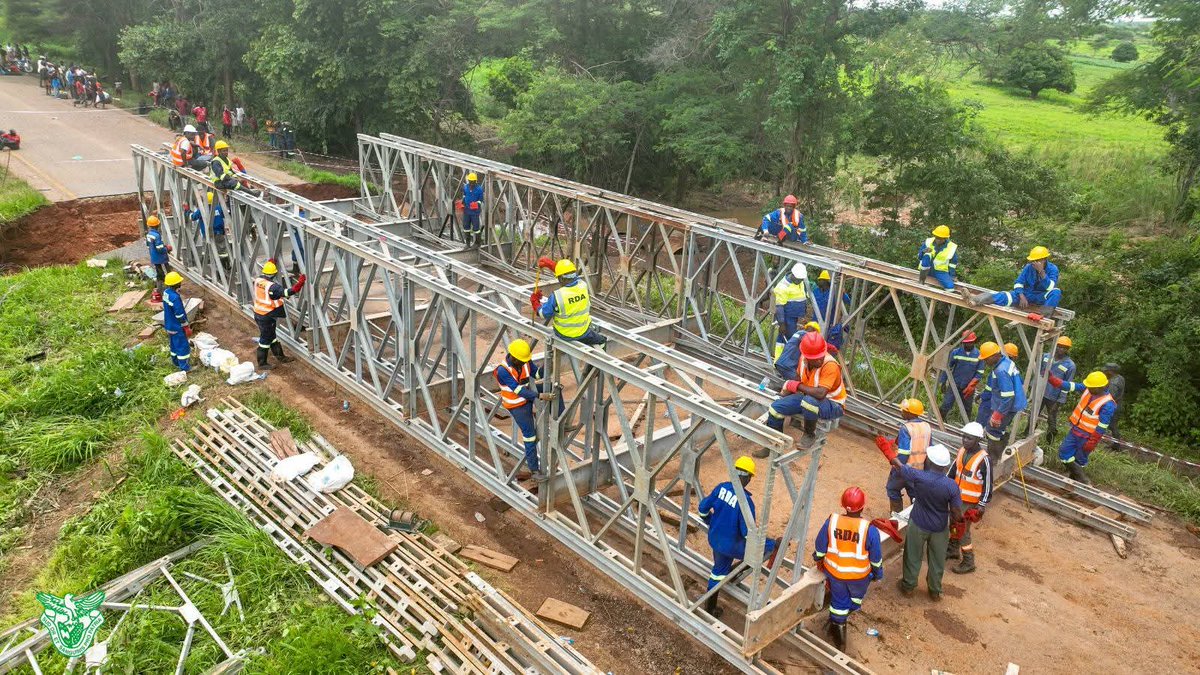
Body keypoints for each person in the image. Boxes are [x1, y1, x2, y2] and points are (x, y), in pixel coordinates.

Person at [697, 456, 779, 618]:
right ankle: (737, 573)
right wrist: (770, 544)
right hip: (731, 545)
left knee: (718, 571)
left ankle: (710, 605)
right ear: (748, 477)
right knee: (759, 552)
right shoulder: (746, 502)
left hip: (715, 539)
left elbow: (702, 509)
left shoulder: (721, 488)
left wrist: (711, 522)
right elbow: (748, 534)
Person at [879, 442, 962, 601]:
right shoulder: (952, 486)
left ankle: (908, 587)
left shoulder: (918, 476)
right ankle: (935, 591)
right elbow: (957, 513)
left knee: (912, 556)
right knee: (937, 561)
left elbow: (898, 465)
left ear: (929, 461)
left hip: (918, 523)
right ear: (945, 467)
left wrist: (888, 452)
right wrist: (958, 523)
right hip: (939, 528)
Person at [812, 486, 883, 650]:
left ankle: (837, 624)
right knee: (851, 602)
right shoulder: (869, 530)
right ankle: (839, 640)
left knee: (839, 603)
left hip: (835, 573)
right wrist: (878, 574)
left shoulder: (832, 522)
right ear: (863, 507)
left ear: (843, 505)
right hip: (859, 578)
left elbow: (820, 546)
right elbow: (876, 558)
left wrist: (818, 558)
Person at [767, 332, 846, 448]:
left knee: (809, 401)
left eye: (821, 356)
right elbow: (800, 379)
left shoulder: (830, 365)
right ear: (807, 357)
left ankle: (809, 434)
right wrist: (787, 392)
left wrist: (795, 385)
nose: (819, 360)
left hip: (833, 404)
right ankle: (775, 443)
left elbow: (820, 394)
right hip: (808, 399)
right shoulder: (803, 360)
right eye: (815, 359)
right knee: (776, 408)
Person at [1046, 370, 1117, 485]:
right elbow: (1070, 386)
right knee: (1064, 453)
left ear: (1100, 387)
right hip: (1075, 431)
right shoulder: (1089, 388)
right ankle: (1083, 479)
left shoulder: (1108, 404)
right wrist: (1053, 380)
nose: (1088, 389)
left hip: (1088, 436)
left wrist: (1093, 441)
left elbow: (1102, 425)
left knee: (1079, 460)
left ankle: (1073, 484)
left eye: (1091, 388)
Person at [968, 246, 1062, 320]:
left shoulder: (1053, 269)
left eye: (1036, 260)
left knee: (1056, 292)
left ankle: (1044, 317)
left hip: (1040, 296)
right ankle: (975, 299)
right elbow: (1018, 283)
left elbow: (1050, 287)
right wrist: (1021, 296)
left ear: (1044, 259)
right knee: (1005, 295)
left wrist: (1041, 272)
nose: (1034, 263)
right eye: (1033, 260)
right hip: (1026, 294)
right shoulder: (1028, 268)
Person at [495, 339, 545, 481]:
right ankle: (534, 470)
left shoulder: (525, 361)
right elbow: (518, 390)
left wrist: (549, 364)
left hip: (528, 394)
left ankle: (562, 420)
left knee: (554, 389)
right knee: (530, 436)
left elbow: (537, 375)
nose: (524, 363)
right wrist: (539, 395)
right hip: (517, 405)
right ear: (513, 357)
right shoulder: (502, 370)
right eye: (521, 361)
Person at [946, 422, 991, 574]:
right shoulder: (961, 451)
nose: (965, 440)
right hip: (956, 498)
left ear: (978, 440)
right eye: (963, 437)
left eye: (969, 438)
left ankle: (968, 561)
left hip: (969, 502)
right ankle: (952, 549)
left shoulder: (984, 459)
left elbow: (988, 484)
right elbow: (953, 472)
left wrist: (982, 505)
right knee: (953, 523)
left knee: (963, 530)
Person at [531, 258, 607, 346]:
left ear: (561, 279)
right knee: (602, 341)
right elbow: (570, 275)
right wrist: (553, 266)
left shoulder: (557, 296)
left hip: (564, 334)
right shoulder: (583, 285)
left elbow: (543, 314)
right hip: (583, 332)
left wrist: (535, 301)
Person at [876, 398, 932, 514]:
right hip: (919, 469)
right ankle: (914, 516)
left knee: (892, 488)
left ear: (909, 413)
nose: (901, 412)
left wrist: (897, 467)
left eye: (903, 410)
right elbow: (929, 448)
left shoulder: (906, 428)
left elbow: (904, 454)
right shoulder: (927, 427)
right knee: (914, 493)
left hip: (905, 467)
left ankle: (896, 516)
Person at [975, 341, 1027, 461]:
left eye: (986, 359)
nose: (985, 362)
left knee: (992, 430)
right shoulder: (1006, 362)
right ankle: (1000, 448)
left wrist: (997, 415)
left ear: (994, 356)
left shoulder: (1001, 371)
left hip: (1008, 406)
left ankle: (993, 460)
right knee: (998, 430)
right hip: (1010, 404)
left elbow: (1008, 396)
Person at [252, 260, 306, 370]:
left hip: (259, 313)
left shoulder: (258, 280)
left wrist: (270, 263)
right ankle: (262, 363)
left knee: (272, 336)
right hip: (267, 315)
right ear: (275, 274)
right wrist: (299, 284)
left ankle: (281, 357)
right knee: (265, 339)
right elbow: (288, 292)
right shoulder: (273, 287)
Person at [938, 330, 984, 422]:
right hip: (954, 384)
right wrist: (943, 382)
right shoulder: (956, 352)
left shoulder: (979, 355)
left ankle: (967, 425)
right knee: (947, 403)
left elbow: (979, 372)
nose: (968, 345)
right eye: (966, 343)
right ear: (963, 342)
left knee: (967, 407)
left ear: (974, 342)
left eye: (970, 343)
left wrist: (972, 385)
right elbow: (947, 367)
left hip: (968, 386)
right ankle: (941, 421)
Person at [1040, 336, 1076, 444]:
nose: (1061, 349)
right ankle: (1027, 433)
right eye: (1059, 346)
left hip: (1054, 397)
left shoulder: (1070, 365)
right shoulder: (1046, 357)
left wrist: (1059, 401)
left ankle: (1049, 441)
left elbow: (1067, 385)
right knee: (1033, 415)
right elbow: (1038, 373)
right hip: (1041, 393)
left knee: (1051, 419)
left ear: (1067, 349)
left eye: (1064, 348)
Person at [772, 263, 810, 361]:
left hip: (794, 316)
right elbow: (779, 307)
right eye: (799, 279)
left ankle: (781, 362)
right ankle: (784, 362)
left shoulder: (798, 280)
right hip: (787, 317)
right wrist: (782, 323)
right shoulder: (783, 287)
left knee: (783, 340)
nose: (800, 281)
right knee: (791, 340)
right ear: (793, 275)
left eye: (801, 279)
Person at [161, 272, 192, 372]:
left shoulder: (166, 293)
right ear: (177, 284)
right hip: (177, 326)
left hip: (169, 325)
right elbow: (179, 314)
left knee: (174, 344)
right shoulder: (175, 298)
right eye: (179, 282)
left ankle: (175, 362)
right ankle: (185, 367)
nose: (181, 283)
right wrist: (186, 326)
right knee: (182, 346)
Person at [811, 270, 849, 350]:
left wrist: (843, 293)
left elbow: (848, 301)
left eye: (822, 280)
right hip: (816, 321)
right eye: (819, 279)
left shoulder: (835, 292)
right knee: (814, 341)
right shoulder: (815, 291)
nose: (819, 281)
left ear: (827, 281)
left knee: (826, 343)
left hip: (829, 323)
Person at [918, 225, 959, 290]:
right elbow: (919, 257)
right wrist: (923, 252)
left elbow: (953, 264)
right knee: (927, 255)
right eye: (937, 237)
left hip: (940, 271)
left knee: (950, 288)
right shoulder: (928, 242)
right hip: (926, 271)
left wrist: (952, 276)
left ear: (945, 238)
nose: (938, 240)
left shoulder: (951, 247)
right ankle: (921, 281)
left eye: (940, 238)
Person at [144, 215, 171, 301]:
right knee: (167, 273)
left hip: (154, 258)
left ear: (149, 226)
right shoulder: (156, 235)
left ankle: (160, 289)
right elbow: (159, 249)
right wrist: (167, 248)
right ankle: (169, 289)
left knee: (159, 273)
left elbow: (149, 246)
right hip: (161, 258)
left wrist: (162, 246)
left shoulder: (149, 235)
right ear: (157, 225)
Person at [1101, 363, 1125, 447]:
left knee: (1112, 426)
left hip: (1114, 406)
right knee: (1112, 425)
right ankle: (1116, 443)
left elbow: (1110, 397)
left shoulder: (1113, 383)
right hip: (1118, 405)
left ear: (1111, 371)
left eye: (1106, 370)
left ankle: (1117, 445)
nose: (1104, 372)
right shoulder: (1120, 377)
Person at [461, 172, 484, 247]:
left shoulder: (479, 189)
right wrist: (462, 202)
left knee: (476, 228)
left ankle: (477, 243)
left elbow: (481, 200)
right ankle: (467, 244)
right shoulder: (466, 187)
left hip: (474, 212)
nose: (471, 183)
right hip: (467, 211)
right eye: (470, 181)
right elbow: (464, 195)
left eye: (473, 182)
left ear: (475, 181)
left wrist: (476, 204)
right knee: (466, 227)